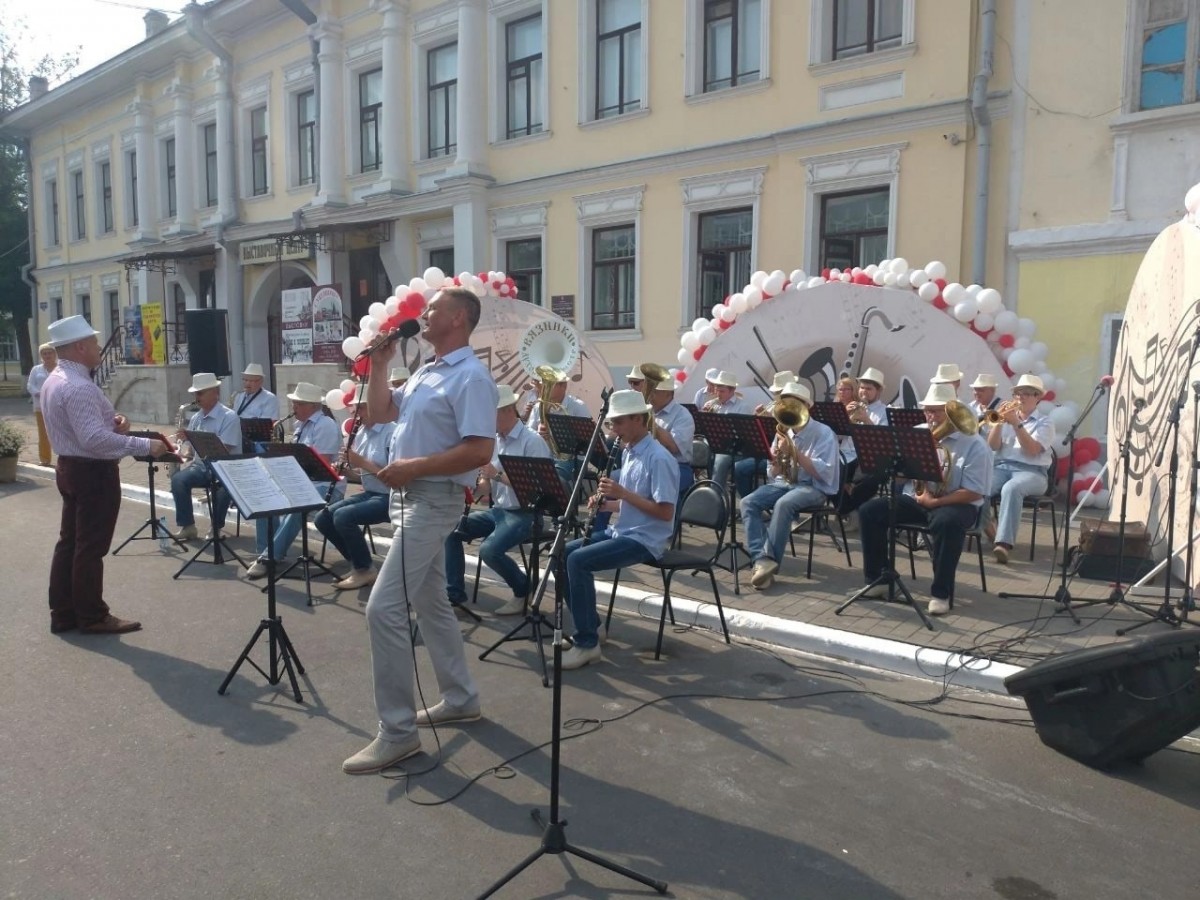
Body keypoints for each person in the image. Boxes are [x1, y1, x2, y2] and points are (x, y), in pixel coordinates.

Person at [343, 287, 497, 775]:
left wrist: (415, 467)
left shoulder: (471, 377)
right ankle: (461, 697)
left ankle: (398, 732)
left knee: (383, 608)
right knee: (431, 604)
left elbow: (479, 451)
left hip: (433, 500)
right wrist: (381, 364)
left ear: (457, 318)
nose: (422, 316)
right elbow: (382, 412)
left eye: (431, 311)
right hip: (408, 499)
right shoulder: (429, 371)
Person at [40, 316, 168, 635]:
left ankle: (64, 612)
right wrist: (144, 444)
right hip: (91, 472)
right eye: (95, 343)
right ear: (81, 347)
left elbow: (89, 427)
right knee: (90, 547)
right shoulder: (79, 385)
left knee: (70, 542)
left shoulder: (56, 378)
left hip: (69, 466)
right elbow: (94, 440)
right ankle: (92, 615)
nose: (100, 347)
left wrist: (115, 420)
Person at [560, 390, 679, 670]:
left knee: (578, 560)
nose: (613, 430)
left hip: (647, 539)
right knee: (562, 554)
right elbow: (632, 503)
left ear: (639, 419)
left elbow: (665, 512)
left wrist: (622, 494)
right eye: (612, 423)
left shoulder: (659, 458)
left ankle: (587, 643)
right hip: (624, 531)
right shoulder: (629, 452)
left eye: (619, 423)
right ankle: (592, 626)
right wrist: (606, 505)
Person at [856, 383, 992, 616]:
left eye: (936, 411)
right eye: (927, 410)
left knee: (946, 523)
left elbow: (976, 491)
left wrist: (935, 502)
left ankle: (941, 592)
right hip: (920, 497)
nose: (930, 416)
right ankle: (878, 579)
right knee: (870, 511)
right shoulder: (917, 432)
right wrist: (900, 471)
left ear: (951, 412)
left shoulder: (975, 444)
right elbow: (902, 476)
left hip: (959, 503)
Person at [444, 384, 553, 616]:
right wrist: (474, 485)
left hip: (527, 514)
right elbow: (488, 486)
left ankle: (523, 589)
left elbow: (539, 489)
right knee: (451, 531)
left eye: (489, 414)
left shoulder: (532, 441)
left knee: (489, 550)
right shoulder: (495, 440)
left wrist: (498, 476)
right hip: (500, 511)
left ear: (507, 411)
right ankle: (454, 593)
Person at [740, 383, 840, 590]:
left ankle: (767, 563)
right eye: (786, 402)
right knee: (748, 502)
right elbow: (772, 473)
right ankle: (762, 560)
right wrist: (776, 461)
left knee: (784, 504)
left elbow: (825, 473)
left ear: (807, 406)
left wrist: (794, 451)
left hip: (813, 487)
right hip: (784, 483)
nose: (790, 407)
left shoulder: (824, 433)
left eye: (796, 403)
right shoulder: (782, 431)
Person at [246, 382, 342, 577]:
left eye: (297, 404)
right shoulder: (301, 426)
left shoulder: (326, 425)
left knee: (299, 504)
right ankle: (266, 550)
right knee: (266, 496)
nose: (293, 408)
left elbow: (321, 463)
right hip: (302, 481)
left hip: (325, 485)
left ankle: (269, 557)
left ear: (312, 406)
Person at [315, 385, 396, 590]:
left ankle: (364, 569)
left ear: (375, 406)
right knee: (323, 518)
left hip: (393, 496)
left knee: (343, 516)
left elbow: (394, 477)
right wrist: (345, 470)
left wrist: (360, 462)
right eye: (354, 409)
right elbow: (362, 475)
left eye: (360, 408)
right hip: (371, 492)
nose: (355, 414)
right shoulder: (362, 433)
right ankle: (359, 564)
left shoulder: (392, 432)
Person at [987, 374, 1055, 563]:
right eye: (1018, 393)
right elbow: (992, 446)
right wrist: (999, 423)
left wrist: (1016, 424)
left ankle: (1003, 543)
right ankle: (986, 528)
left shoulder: (1045, 422)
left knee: (1011, 488)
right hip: (1002, 467)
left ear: (1037, 397)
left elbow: (1033, 450)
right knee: (979, 483)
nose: (1020, 398)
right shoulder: (1007, 418)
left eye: (1026, 394)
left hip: (1033, 472)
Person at [170, 372, 242, 541]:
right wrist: (179, 451)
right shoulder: (196, 417)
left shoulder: (229, 417)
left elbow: (223, 449)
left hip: (225, 468)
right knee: (178, 479)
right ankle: (188, 526)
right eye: (196, 393)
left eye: (200, 393)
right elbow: (192, 452)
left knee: (223, 490)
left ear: (215, 392)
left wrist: (192, 438)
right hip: (201, 467)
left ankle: (215, 528)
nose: (197, 397)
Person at [732, 370, 797, 499]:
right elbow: (754, 433)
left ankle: (756, 502)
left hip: (790, 458)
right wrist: (758, 418)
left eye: (779, 392)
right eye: (776, 393)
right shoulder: (773, 406)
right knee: (738, 468)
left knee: (741, 468)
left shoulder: (797, 409)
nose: (776, 396)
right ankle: (751, 501)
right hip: (770, 456)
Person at [836, 366, 890, 520]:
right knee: (827, 474)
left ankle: (848, 508)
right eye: (861, 388)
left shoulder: (885, 412)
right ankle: (849, 510)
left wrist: (866, 419)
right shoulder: (851, 407)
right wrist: (843, 417)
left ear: (878, 391)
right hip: (846, 454)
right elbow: (837, 437)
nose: (864, 392)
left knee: (870, 481)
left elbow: (882, 440)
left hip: (869, 457)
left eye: (869, 388)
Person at [525, 368, 590, 482]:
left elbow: (588, 438)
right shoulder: (538, 407)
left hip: (572, 460)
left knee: (554, 477)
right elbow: (527, 435)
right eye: (544, 383)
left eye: (550, 384)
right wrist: (537, 434)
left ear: (563, 386)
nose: (544, 387)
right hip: (544, 457)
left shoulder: (577, 406)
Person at [705, 370, 755, 491]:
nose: (718, 394)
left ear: (732, 391)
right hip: (717, 445)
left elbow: (744, 436)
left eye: (722, 391)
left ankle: (714, 496)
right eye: (717, 390)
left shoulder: (743, 406)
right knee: (697, 450)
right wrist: (705, 417)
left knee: (721, 459)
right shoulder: (713, 405)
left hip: (737, 449)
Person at [648, 374, 695, 500]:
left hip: (677, 467)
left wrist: (652, 424)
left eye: (655, 392)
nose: (650, 394)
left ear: (668, 394)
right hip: (650, 464)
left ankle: (669, 518)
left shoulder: (682, 415)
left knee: (655, 488)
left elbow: (674, 447)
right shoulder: (649, 410)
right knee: (612, 480)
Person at [26, 342, 57, 466]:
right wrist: (37, 393)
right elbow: (29, 385)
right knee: (43, 434)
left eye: (49, 353)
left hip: (57, 406)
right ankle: (45, 459)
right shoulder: (36, 369)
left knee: (60, 432)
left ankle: (64, 458)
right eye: (44, 353)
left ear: (54, 354)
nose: (47, 355)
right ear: (41, 355)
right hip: (40, 406)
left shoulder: (59, 368)